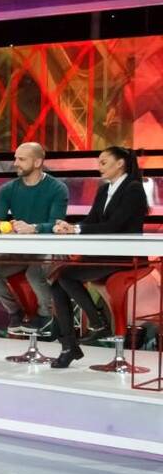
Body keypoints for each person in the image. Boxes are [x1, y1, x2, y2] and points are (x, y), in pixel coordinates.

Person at [47, 146, 148, 369]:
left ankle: (97, 321)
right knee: (56, 283)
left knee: (66, 276)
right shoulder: (104, 190)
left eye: (103, 162)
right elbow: (91, 220)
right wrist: (71, 227)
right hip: (103, 253)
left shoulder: (133, 189)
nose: (99, 167)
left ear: (120, 163)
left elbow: (114, 226)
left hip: (125, 256)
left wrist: (77, 230)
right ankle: (69, 347)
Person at [0, 142, 69, 336]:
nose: (15, 163)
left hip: (50, 250)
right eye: (15, 158)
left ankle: (46, 316)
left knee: (34, 273)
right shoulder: (7, 189)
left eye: (21, 159)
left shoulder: (58, 188)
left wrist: (34, 228)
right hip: (21, 252)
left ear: (37, 162)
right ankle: (15, 312)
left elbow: (57, 225)